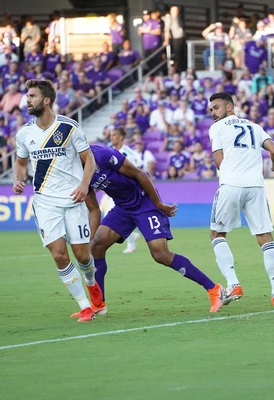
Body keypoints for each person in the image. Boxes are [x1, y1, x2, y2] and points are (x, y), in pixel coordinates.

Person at [83, 144, 225, 313]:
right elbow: (93, 209)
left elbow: (140, 174)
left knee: (160, 254)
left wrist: (157, 203)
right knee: (96, 246)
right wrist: (89, 238)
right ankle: (98, 305)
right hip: (123, 208)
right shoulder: (76, 172)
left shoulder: (102, 155)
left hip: (145, 203)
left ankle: (215, 289)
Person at [12, 79, 103, 323]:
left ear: (46, 100)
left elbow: (89, 160)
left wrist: (84, 185)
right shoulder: (25, 134)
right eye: (27, 96)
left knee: (83, 256)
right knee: (59, 255)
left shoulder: (69, 127)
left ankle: (92, 284)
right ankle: (85, 306)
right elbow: (20, 162)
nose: (27, 100)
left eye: (31, 96)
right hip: (44, 202)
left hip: (73, 199)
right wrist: (17, 179)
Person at [207, 92, 274, 306]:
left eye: (216, 108)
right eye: (211, 110)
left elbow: (218, 162)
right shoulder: (255, 127)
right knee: (265, 237)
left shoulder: (217, 128)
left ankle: (234, 284)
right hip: (256, 186)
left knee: (217, 234)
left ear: (229, 108)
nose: (213, 113)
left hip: (231, 185)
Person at [108, 127, 141, 254]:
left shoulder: (127, 153)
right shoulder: (109, 150)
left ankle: (131, 245)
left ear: (121, 137)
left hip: (126, 189)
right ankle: (133, 236)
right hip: (113, 189)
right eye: (111, 135)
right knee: (114, 216)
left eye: (114, 135)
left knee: (124, 216)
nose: (112, 137)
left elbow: (133, 170)